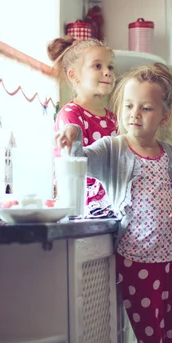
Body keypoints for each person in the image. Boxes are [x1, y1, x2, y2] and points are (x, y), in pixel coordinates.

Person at [55, 63, 172, 343]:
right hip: (137, 261)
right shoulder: (113, 148)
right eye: (128, 106)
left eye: (146, 108)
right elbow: (80, 160)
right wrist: (73, 132)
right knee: (151, 336)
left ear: (164, 116)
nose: (135, 114)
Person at [47, 36, 118, 218]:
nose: (107, 72)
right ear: (73, 75)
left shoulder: (113, 118)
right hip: (82, 207)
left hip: (111, 205)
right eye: (97, 66)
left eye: (110, 67)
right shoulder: (71, 114)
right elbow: (76, 164)